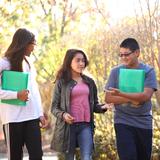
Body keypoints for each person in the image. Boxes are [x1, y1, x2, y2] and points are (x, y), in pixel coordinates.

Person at [105, 38, 157, 160]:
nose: (123, 57)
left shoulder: (148, 71)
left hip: (144, 123)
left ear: (137, 53)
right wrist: (131, 99)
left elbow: (145, 96)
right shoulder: (115, 72)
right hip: (123, 121)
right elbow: (108, 97)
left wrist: (121, 94)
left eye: (126, 54)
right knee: (128, 157)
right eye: (121, 55)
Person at [50, 49, 108, 160]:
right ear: (69, 62)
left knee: (87, 157)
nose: (81, 63)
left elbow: (94, 105)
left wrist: (102, 107)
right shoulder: (61, 82)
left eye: (83, 61)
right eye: (78, 60)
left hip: (85, 126)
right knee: (69, 157)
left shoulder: (90, 82)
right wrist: (63, 115)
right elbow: (54, 107)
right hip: (68, 127)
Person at [0, 28, 47, 160]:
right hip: (12, 119)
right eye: (33, 44)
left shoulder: (29, 63)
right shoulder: (3, 63)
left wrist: (40, 113)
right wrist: (16, 95)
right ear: (24, 43)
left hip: (31, 117)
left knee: (37, 155)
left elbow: (34, 89)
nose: (34, 48)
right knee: (15, 157)